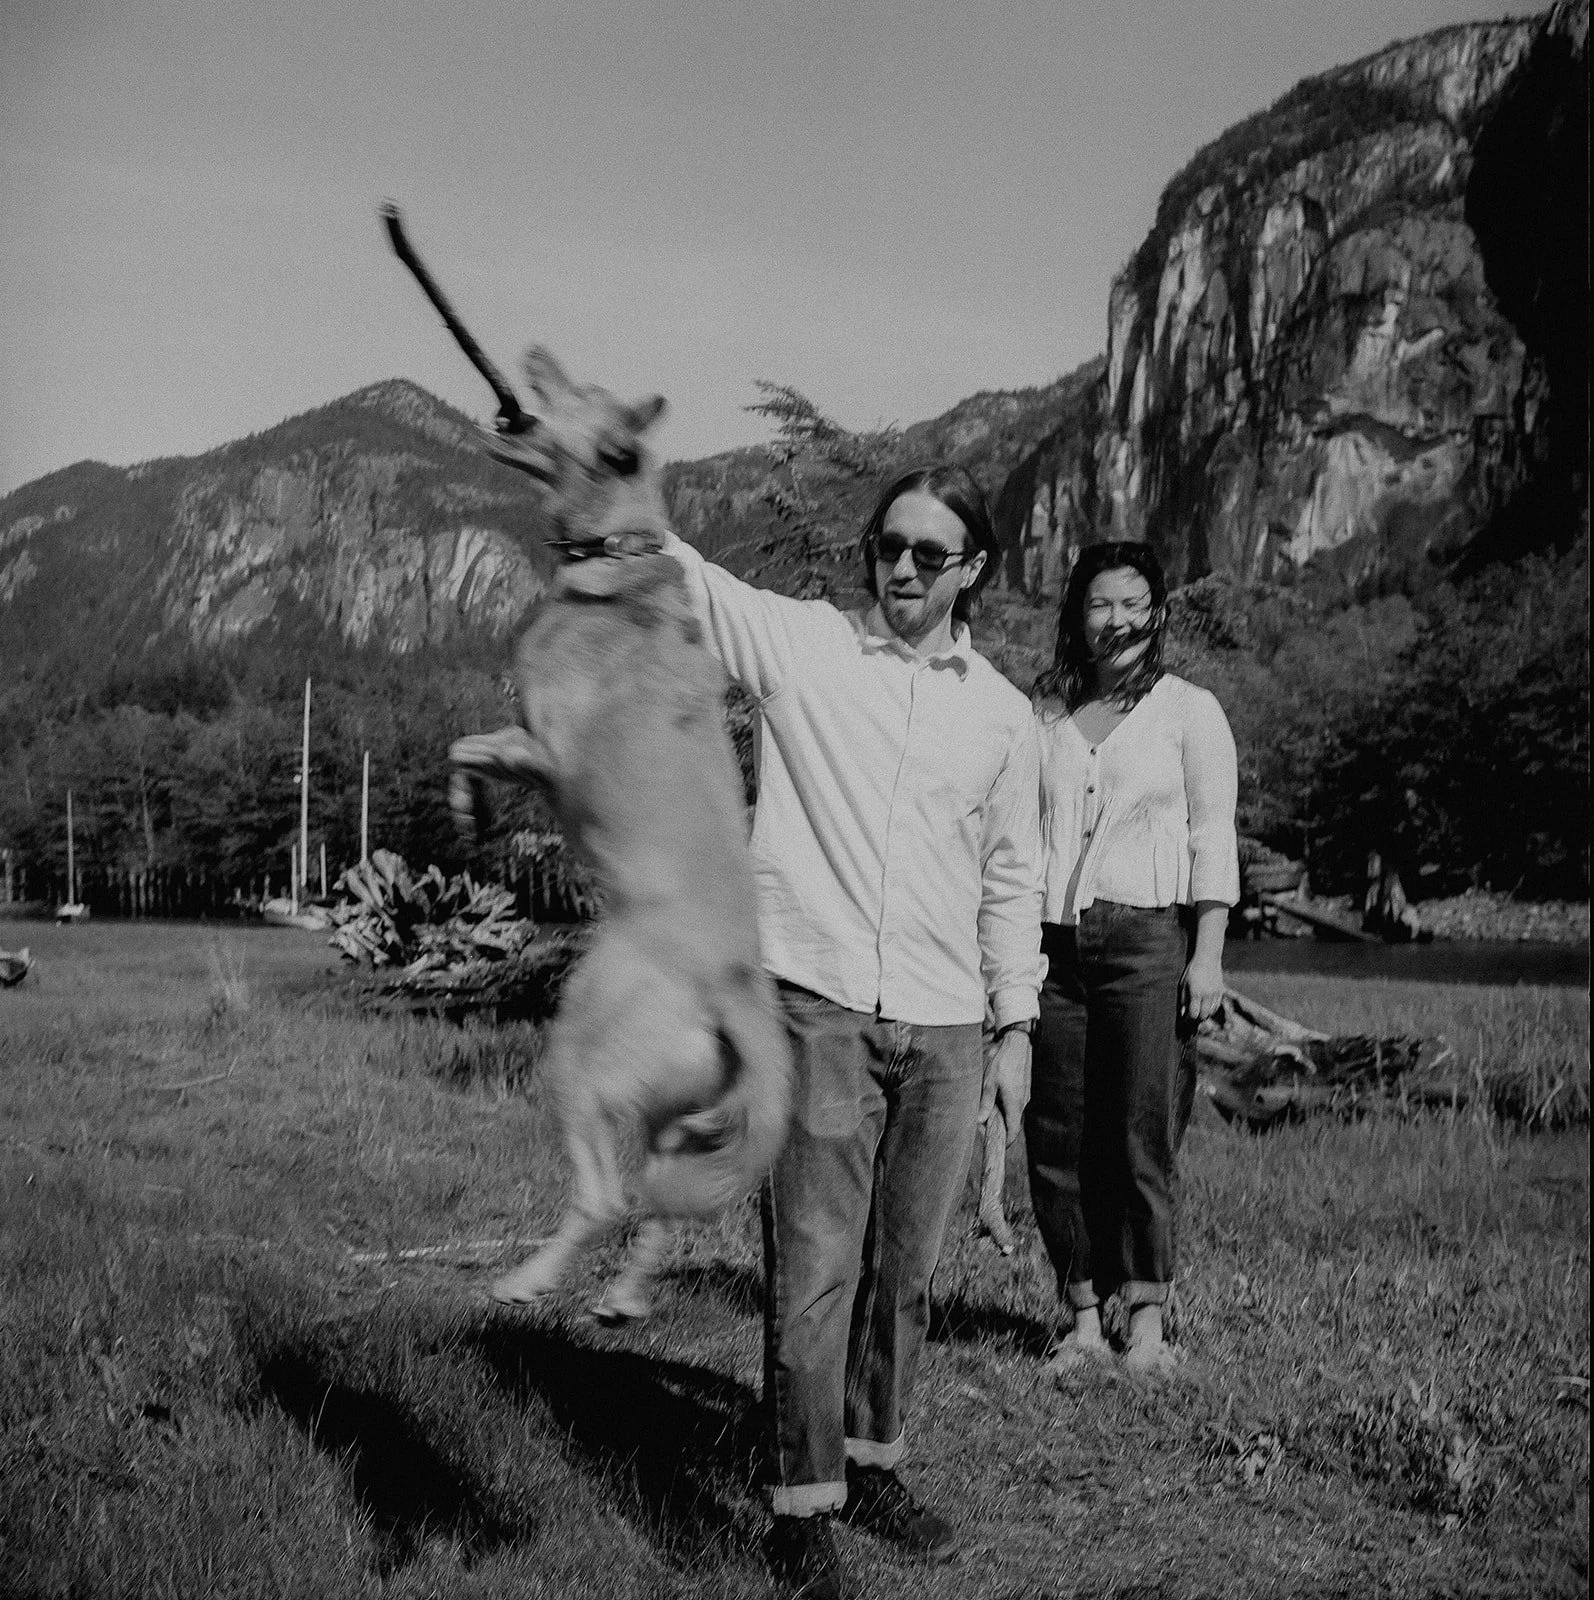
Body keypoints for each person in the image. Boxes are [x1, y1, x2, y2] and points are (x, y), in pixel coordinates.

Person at [661, 465, 1042, 1600]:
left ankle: (872, 1463)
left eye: (932, 553)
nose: (904, 568)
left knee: (904, 1275)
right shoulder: (802, 646)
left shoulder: (1002, 714)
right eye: (890, 545)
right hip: (816, 1004)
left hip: (945, 1024)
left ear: (971, 568)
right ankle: (801, 1502)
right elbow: (678, 570)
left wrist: (1012, 1026)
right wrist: (591, 477)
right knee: (815, 1270)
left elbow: (1012, 878)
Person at [1023, 540, 1238, 1380]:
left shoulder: (1191, 710)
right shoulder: (1044, 714)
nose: (1116, 620)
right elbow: (1016, 835)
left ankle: (1146, 1321)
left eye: (1133, 603)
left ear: (1157, 613)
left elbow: (1211, 835)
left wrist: (1207, 954)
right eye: (1099, 603)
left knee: (1143, 1128)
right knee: (1056, 1132)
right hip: (1055, 946)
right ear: (1078, 615)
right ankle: (1081, 1318)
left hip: (1150, 938)